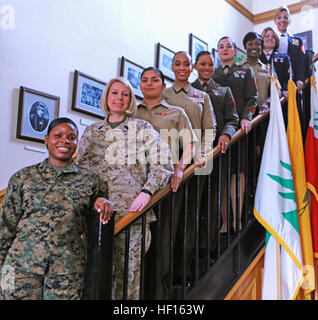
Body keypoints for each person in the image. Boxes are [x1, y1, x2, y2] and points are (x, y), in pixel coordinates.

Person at [77, 77, 173, 300]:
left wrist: (147, 192)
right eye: (114, 93)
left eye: (125, 94)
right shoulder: (92, 132)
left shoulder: (142, 128)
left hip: (132, 216)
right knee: (97, 278)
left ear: (130, 100)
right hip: (97, 218)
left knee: (128, 280)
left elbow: (164, 163)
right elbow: (80, 173)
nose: (119, 98)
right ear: (106, 97)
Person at [0, 117, 113, 300]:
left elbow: (99, 209)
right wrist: (2, 272)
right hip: (19, 268)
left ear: (77, 142)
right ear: (46, 139)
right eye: (58, 135)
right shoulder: (23, 177)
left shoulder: (91, 181)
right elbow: (6, 227)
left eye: (72, 137)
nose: (65, 141)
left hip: (67, 271)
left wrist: (103, 200)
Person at [135, 67, 197, 299]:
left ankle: (159, 296)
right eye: (144, 80)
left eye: (154, 80)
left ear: (163, 85)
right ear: (140, 85)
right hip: (136, 184)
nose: (149, 84)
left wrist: (180, 167)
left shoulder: (176, 112)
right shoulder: (132, 112)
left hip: (167, 183)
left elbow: (190, 145)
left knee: (163, 240)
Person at [192, 50, 239, 256]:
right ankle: (190, 249)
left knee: (212, 200)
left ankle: (208, 248)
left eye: (210, 65)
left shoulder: (224, 91)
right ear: (195, 66)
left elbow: (233, 119)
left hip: (215, 154)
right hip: (192, 155)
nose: (206, 68)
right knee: (194, 203)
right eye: (202, 64)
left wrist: (227, 135)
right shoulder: (187, 90)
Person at [213, 36, 258, 233]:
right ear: (217, 52)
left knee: (238, 174)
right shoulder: (212, 75)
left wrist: (247, 117)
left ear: (234, 50)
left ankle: (237, 220)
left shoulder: (245, 70)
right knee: (222, 177)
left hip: (240, 131)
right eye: (221, 47)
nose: (225, 49)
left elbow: (252, 98)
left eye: (228, 46)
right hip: (217, 133)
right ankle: (224, 222)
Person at [274, 5, 306, 93]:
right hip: (276, 81)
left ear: (290, 20)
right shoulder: (271, 40)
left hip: (293, 81)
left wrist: (300, 79)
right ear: (275, 21)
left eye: (285, 17)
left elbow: (301, 62)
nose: (282, 20)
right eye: (279, 17)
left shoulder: (297, 41)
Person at [241, 32, 271, 115]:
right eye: (250, 44)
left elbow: (276, 91)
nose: (254, 47)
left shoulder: (268, 70)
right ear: (245, 47)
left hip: (262, 114)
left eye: (257, 44)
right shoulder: (237, 68)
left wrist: (267, 102)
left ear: (261, 47)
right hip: (242, 114)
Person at [259, 27, 290, 101]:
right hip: (260, 98)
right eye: (267, 36)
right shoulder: (256, 58)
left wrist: (285, 89)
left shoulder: (284, 58)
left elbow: (287, 78)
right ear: (261, 39)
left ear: (276, 40)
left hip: (279, 98)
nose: (270, 38)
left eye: (273, 37)